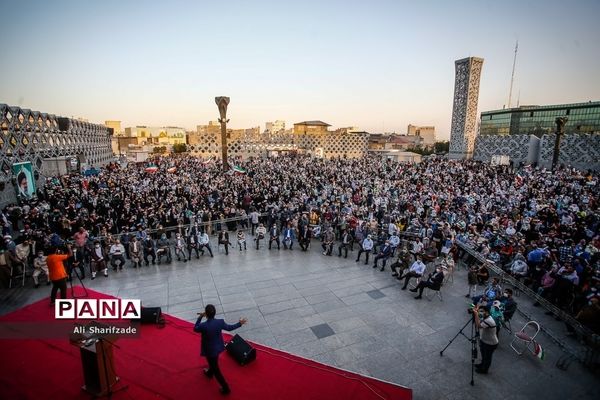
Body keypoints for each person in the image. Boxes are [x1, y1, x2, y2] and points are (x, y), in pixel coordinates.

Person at [194, 304, 247, 395]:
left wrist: (200, 317)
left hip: (209, 350)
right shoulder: (220, 322)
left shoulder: (203, 326)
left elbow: (195, 328)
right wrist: (239, 323)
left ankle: (226, 388)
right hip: (218, 347)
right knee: (213, 362)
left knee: (216, 369)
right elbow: (230, 328)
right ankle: (210, 372)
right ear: (215, 313)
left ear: (206, 313)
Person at [473, 304, 499, 374]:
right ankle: (482, 365)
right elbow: (478, 321)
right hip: (485, 341)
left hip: (491, 343)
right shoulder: (485, 317)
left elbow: (478, 325)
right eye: (479, 311)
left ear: (487, 312)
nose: (480, 313)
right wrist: (476, 312)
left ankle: (484, 370)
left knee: (487, 357)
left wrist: (475, 314)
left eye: (482, 311)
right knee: (483, 355)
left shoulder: (489, 320)